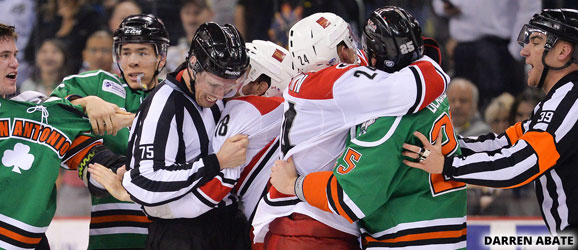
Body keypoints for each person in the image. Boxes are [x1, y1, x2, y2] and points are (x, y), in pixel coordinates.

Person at [267, 7, 467, 249]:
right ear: (342, 51)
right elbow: (423, 83)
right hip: (315, 222)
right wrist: (294, 185)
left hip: (303, 217)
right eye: (351, 43)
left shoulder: (321, 82)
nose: (358, 51)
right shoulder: (361, 92)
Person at [89, 39, 296, 250]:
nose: (232, 80)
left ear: (262, 86)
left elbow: (211, 190)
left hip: (203, 229)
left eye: (244, 72)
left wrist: (140, 199)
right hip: (244, 225)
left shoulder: (246, 110)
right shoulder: (268, 109)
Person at [403, 8, 578, 235]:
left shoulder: (570, 101)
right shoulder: (560, 102)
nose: (524, 51)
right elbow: (502, 143)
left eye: (535, 41)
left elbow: (519, 164)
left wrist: (447, 166)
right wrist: (440, 142)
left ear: (563, 51)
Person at [119, 22, 250, 249]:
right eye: (213, 84)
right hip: (182, 234)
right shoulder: (163, 105)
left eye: (228, 87)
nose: (218, 95)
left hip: (228, 225)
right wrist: (216, 162)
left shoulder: (220, 97)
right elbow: (144, 182)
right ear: (193, 64)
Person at [0, 23, 126, 250]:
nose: (15, 63)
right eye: (4, 55)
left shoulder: (36, 111)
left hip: (28, 242)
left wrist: (122, 172)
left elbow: (89, 155)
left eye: (15, 55)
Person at [51, 14, 169, 249]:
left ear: (161, 57)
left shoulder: (174, 94)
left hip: (167, 228)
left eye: (142, 53)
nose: (132, 61)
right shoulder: (99, 83)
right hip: (111, 233)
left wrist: (136, 121)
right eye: (126, 53)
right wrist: (87, 101)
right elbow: (50, 110)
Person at [164, 0, 214, 74]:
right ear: (181, 15)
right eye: (187, 13)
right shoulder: (171, 55)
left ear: (210, 14)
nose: (191, 20)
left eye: (197, 12)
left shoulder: (221, 53)